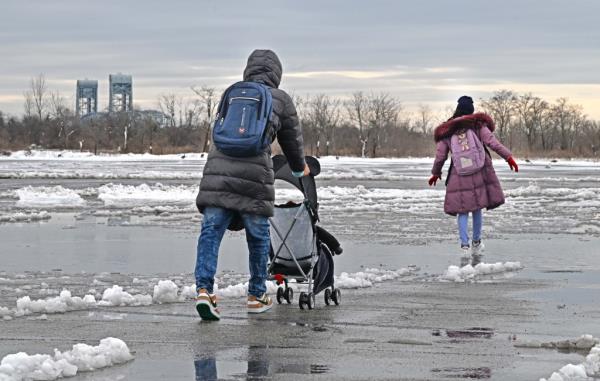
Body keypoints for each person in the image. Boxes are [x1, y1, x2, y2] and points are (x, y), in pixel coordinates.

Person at [194, 49, 309, 321]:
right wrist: (297, 168)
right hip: (254, 176)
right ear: (276, 73)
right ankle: (256, 294)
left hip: (218, 172)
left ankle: (203, 290)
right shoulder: (280, 98)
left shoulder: (232, 92)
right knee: (257, 237)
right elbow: (292, 141)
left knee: (211, 232)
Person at [428, 96, 518, 258]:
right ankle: (476, 242)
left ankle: (464, 245)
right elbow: (493, 143)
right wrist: (508, 157)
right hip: (479, 170)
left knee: (462, 210)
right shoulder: (477, 125)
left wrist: (436, 173)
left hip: (458, 173)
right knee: (477, 206)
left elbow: (440, 156)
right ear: (471, 109)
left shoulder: (447, 130)